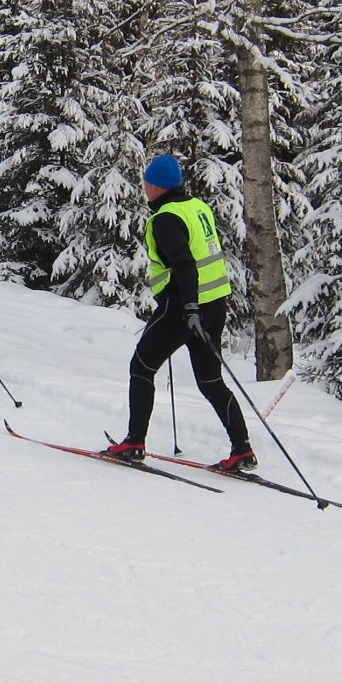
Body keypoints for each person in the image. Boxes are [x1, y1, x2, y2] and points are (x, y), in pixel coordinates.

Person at [103, 155, 254, 472]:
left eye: (146, 182)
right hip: (215, 303)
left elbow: (185, 264)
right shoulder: (196, 207)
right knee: (211, 380)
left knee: (142, 367)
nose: (144, 187)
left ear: (156, 185)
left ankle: (134, 442)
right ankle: (242, 450)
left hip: (184, 306)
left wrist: (189, 309)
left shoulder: (166, 218)